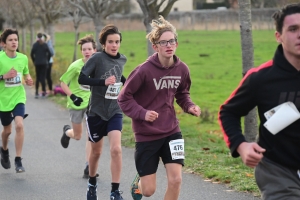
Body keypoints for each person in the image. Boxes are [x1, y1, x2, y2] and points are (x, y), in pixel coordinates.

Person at [218, 3, 300, 200]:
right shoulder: (261, 78)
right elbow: (228, 112)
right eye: (293, 29)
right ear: (278, 36)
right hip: (278, 171)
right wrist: (241, 145)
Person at [117, 16, 201, 200]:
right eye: (163, 42)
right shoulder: (143, 71)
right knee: (148, 191)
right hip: (146, 134)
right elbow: (123, 98)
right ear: (155, 47)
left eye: (172, 41)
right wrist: (143, 113)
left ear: (176, 44)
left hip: (171, 130)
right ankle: (139, 183)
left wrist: (190, 106)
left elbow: (182, 94)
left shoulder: (182, 69)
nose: (168, 45)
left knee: (176, 180)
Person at [78, 25, 127, 200]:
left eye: (117, 42)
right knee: (96, 152)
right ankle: (92, 184)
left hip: (115, 110)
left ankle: (115, 191)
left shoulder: (122, 59)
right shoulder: (97, 58)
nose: (114, 45)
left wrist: (129, 86)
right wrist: (103, 82)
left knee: (116, 149)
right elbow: (82, 78)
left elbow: (120, 77)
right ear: (104, 43)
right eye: (111, 42)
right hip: (96, 112)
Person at [59, 34, 97, 178]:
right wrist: (73, 96)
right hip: (76, 104)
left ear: (94, 50)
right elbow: (63, 82)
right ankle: (67, 132)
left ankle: (88, 166)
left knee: (91, 135)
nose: (87, 51)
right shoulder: (75, 66)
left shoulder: (98, 65)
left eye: (89, 49)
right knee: (78, 135)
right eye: (84, 49)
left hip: (92, 104)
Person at [0, 28, 33, 173]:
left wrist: (29, 78)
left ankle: (18, 160)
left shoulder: (23, 58)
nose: (14, 42)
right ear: (4, 43)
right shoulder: (0, 58)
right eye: (10, 40)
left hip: (18, 97)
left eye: (16, 40)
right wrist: (3, 76)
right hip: (3, 100)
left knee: (19, 125)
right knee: (7, 131)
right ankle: (4, 150)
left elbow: (26, 73)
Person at [30, 32, 53, 98]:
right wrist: (47, 60)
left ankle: (36, 92)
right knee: (43, 77)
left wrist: (34, 61)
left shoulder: (35, 45)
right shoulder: (45, 45)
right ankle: (43, 92)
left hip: (37, 63)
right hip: (44, 63)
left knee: (37, 77)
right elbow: (50, 54)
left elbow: (31, 54)